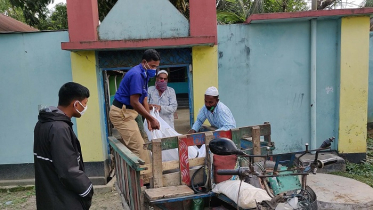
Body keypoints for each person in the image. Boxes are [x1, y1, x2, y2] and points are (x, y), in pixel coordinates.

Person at [33, 82, 93, 210]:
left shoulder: (43, 123)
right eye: (85, 103)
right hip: (64, 200)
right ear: (76, 104)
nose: (85, 107)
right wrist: (87, 189)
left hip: (49, 197)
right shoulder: (59, 128)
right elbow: (68, 171)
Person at [109, 49, 161, 164]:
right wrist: (152, 119)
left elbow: (145, 99)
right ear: (144, 62)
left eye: (156, 67)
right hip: (122, 113)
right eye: (152, 66)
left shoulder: (145, 74)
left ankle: (146, 176)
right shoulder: (136, 74)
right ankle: (144, 180)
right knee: (139, 148)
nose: (154, 69)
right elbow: (135, 102)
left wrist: (148, 120)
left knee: (145, 142)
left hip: (131, 113)